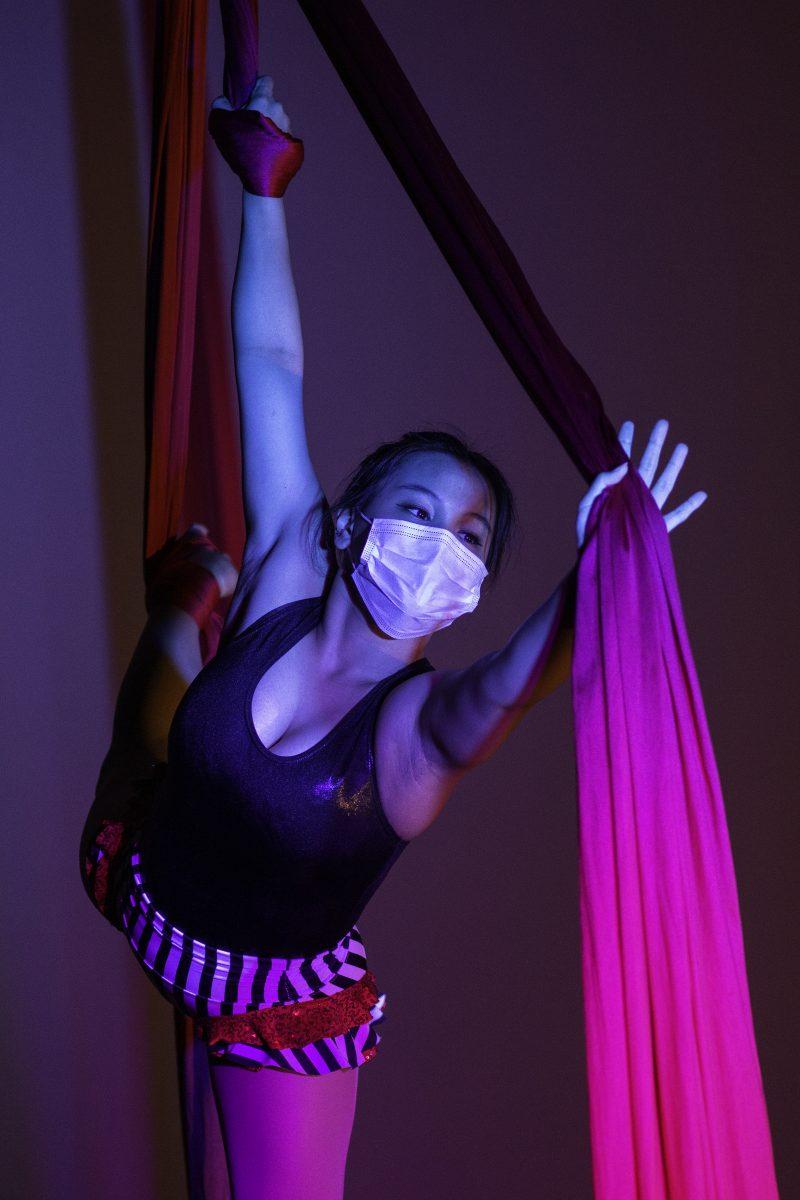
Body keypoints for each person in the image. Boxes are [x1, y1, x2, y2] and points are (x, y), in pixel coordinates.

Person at [80, 74, 707, 1200]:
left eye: (469, 536)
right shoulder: (290, 552)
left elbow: (501, 692)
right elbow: (268, 366)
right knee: (157, 713)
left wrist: (601, 576)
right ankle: (192, 590)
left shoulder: (409, 737)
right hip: (141, 872)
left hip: (271, 1010)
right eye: (417, 514)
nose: (440, 545)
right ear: (345, 528)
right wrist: (263, 189)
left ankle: (190, 596)